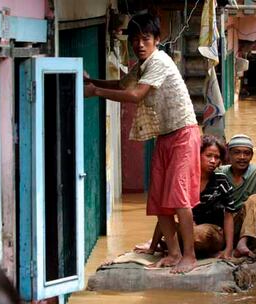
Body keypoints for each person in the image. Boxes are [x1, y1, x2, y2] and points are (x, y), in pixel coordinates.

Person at [84, 13, 200, 273]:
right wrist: (92, 83)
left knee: (180, 198)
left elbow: (135, 95)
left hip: (183, 134)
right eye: (134, 39)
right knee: (159, 198)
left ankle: (189, 256)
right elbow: (122, 83)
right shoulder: (143, 64)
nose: (139, 44)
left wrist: (95, 92)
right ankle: (173, 253)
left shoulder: (158, 60)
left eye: (145, 38)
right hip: (165, 136)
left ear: (156, 39)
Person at [135, 135, 238, 259]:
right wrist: (151, 248)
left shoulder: (221, 180)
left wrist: (228, 249)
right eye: (208, 156)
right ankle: (169, 246)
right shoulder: (184, 181)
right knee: (172, 223)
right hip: (190, 229)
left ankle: (179, 248)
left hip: (213, 232)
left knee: (199, 233)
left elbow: (228, 216)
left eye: (216, 157)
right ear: (197, 155)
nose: (213, 161)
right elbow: (165, 216)